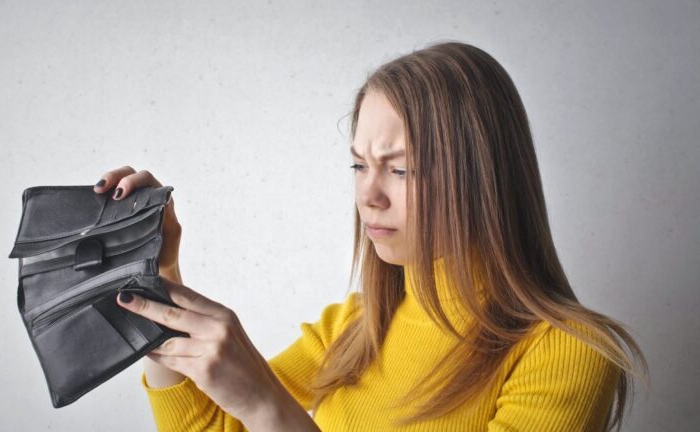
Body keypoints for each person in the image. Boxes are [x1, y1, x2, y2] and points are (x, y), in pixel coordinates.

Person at [92, 40, 649, 431]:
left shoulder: (568, 353)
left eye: (400, 169)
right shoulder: (355, 327)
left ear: (483, 178)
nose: (369, 196)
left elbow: (261, 419)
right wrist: (155, 280)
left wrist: (268, 407)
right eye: (359, 166)